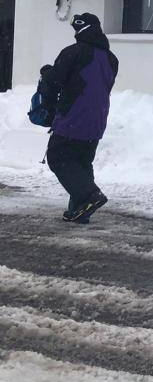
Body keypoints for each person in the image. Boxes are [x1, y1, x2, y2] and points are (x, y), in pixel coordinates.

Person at [37, 12, 118, 224]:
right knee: (81, 162)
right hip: (97, 119)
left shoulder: (73, 52)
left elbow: (56, 80)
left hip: (73, 116)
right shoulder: (111, 59)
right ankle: (81, 210)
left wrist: (46, 72)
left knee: (57, 157)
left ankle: (90, 196)